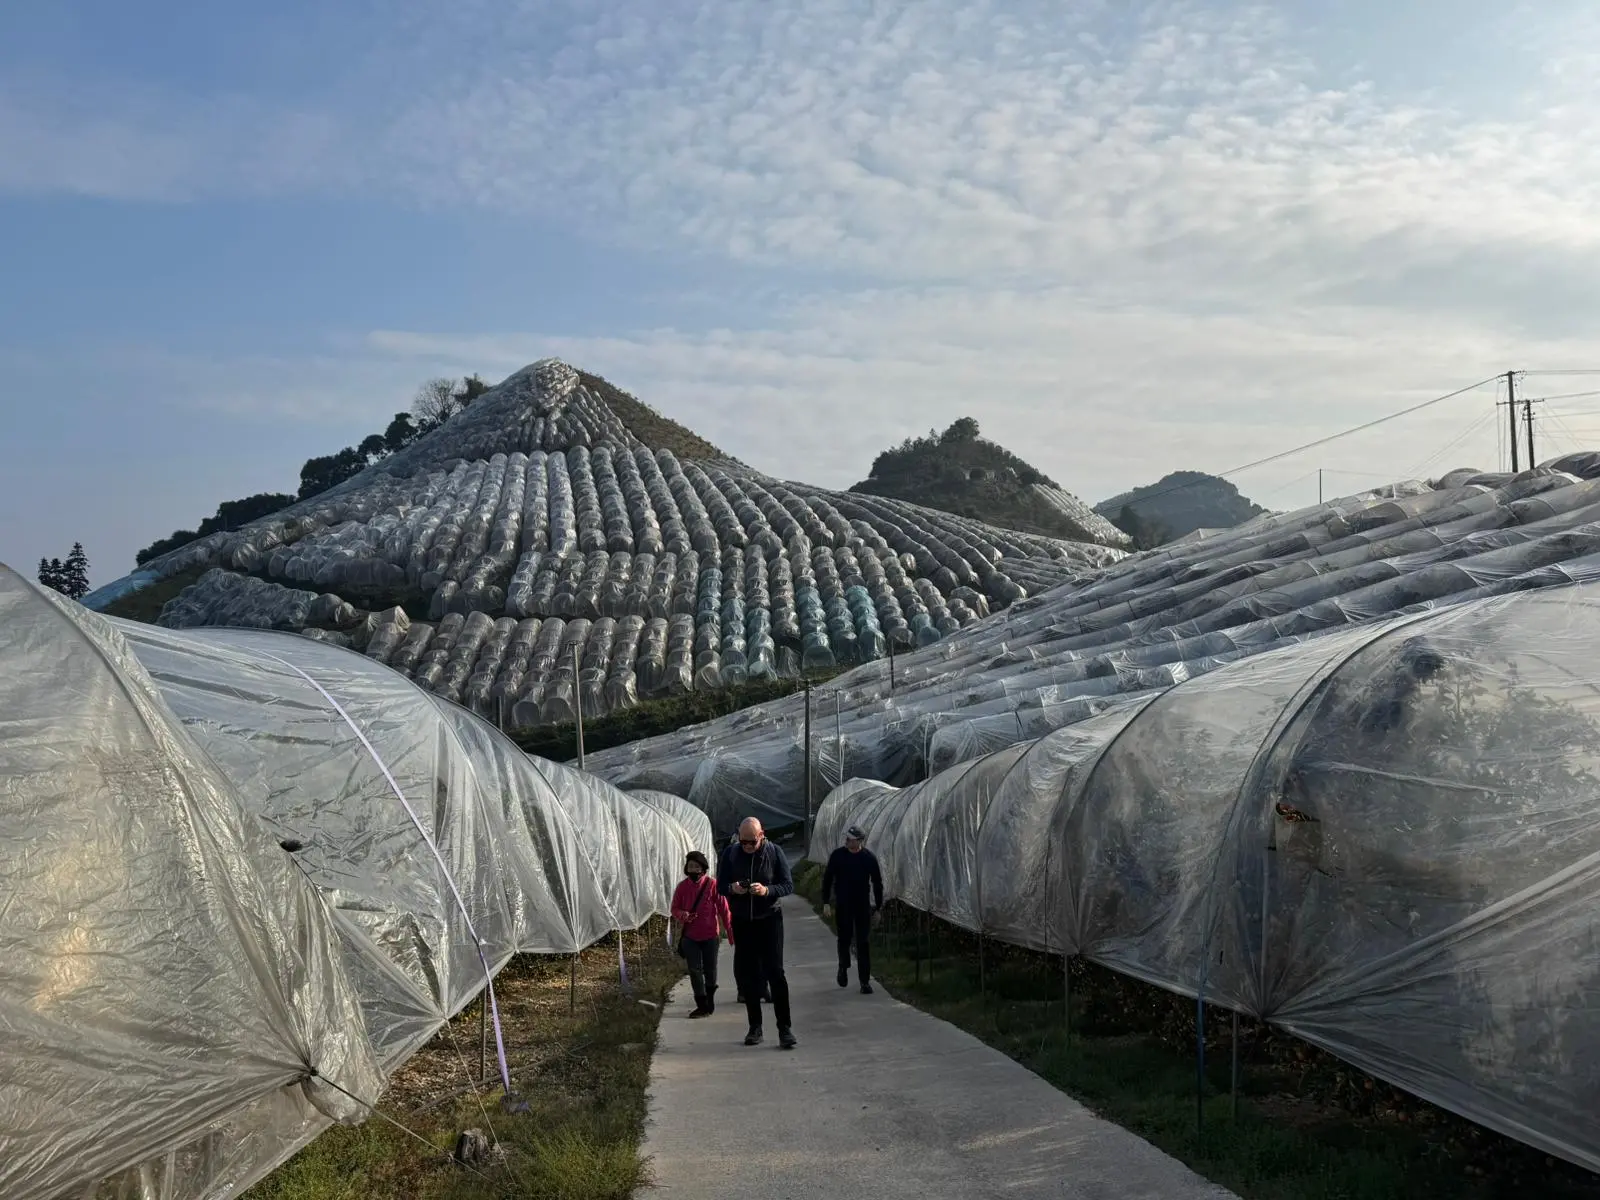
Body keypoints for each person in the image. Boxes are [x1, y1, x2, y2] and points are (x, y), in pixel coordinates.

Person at [717, 817, 796, 1049]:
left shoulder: (774, 852)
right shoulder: (731, 854)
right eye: (743, 842)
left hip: (770, 919)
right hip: (743, 921)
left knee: (776, 974)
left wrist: (767, 890)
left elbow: (788, 885)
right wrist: (733, 888)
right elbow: (720, 885)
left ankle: (785, 1028)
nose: (748, 846)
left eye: (752, 841)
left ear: (762, 835)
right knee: (749, 975)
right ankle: (755, 1028)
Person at [821, 825, 884, 994]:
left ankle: (864, 981)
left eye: (851, 839)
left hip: (862, 905)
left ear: (859, 841)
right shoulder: (838, 856)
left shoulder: (868, 858)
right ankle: (843, 966)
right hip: (843, 904)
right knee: (844, 938)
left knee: (863, 942)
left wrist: (878, 907)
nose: (847, 841)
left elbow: (877, 883)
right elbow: (827, 879)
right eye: (847, 839)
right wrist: (826, 902)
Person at [671, 850, 732, 1018]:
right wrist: (683, 915)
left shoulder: (712, 885)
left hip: (710, 935)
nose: (693, 870)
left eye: (697, 866)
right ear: (686, 868)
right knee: (695, 970)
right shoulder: (682, 887)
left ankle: (710, 998)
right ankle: (702, 1004)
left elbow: (724, 910)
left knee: (710, 970)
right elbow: (674, 908)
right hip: (690, 937)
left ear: (703, 868)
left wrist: (730, 932)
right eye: (690, 866)